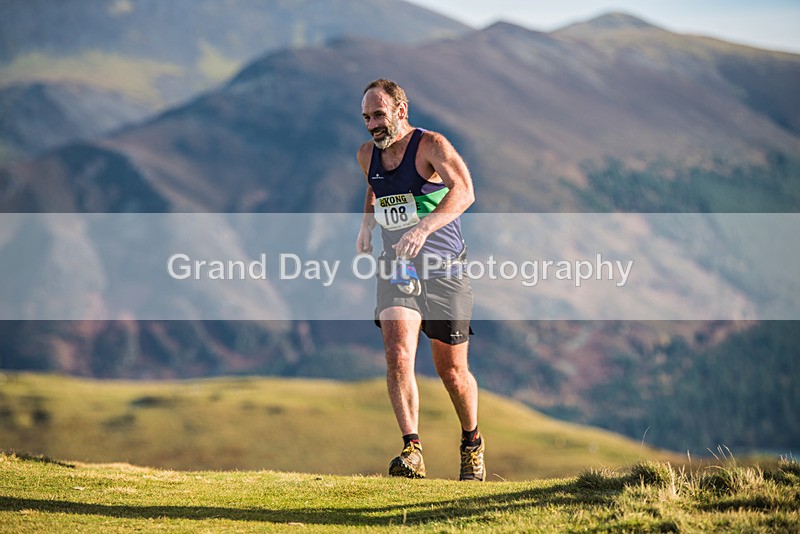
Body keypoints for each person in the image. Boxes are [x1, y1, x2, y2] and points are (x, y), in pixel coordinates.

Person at [355, 78, 484, 481]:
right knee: (398, 354)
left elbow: (465, 191)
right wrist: (366, 226)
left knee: (452, 373)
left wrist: (423, 228)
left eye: (378, 114)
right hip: (398, 267)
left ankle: (471, 443)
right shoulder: (366, 155)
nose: (372, 124)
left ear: (400, 111)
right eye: (365, 117)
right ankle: (412, 450)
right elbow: (375, 189)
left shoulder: (431, 146)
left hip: (445, 270)